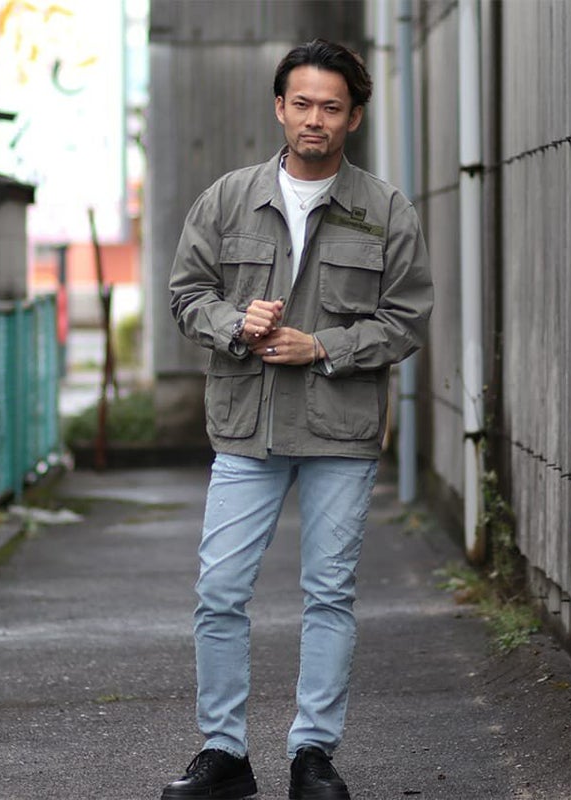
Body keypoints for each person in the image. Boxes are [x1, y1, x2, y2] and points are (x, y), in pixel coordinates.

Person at [162, 39, 433, 800]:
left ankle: (313, 754)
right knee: (220, 589)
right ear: (280, 108)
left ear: (353, 118)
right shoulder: (226, 199)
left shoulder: (384, 211)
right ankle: (224, 754)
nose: (316, 119)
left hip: (340, 430)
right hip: (246, 429)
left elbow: (407, 320)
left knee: (329, 593)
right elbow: (186, 296)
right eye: (303, 103)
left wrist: (324, 346)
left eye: (332, 107)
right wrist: (235, 323)